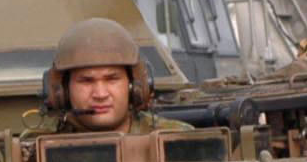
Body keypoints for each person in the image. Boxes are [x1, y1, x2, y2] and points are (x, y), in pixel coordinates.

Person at [25, 18, 188, 134]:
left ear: (134, 87)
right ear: (63, 92)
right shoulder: (36, 149)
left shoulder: (175, 139)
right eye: (86, 81)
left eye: (112, 79)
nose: (100, 94)